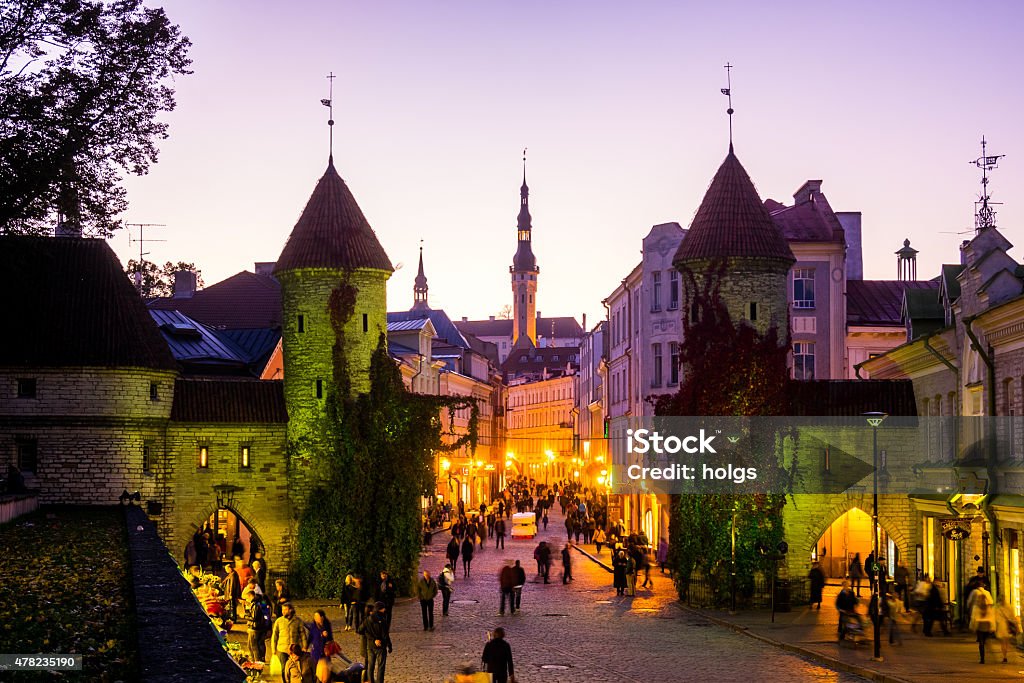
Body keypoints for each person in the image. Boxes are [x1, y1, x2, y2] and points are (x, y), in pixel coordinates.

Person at [271, 602, 308, 683]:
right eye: (282, 610)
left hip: (295, 650)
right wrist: (273, 649)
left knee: (296, 668)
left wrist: (304, 646)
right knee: (284, 669)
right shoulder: (279, 621)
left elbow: (303, 634)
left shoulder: (298, 621)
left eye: (285, 609)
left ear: (290, 610)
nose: (283, 611)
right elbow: (274, 636)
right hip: (282, 649)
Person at [357, 601, 392, 683]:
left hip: (370, 646)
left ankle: (371, 681)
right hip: (381, 646)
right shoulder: (383, 620)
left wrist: (371, 639)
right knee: (381, 666)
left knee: (371, 666)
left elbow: (360, 630)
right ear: (379, 609)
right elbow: (385, 635)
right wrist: (389, 645)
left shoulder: (367, 620)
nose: (384, 610)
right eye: (383, 608)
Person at [244, 587, 271, 662]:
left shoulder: (255, 604)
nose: (247, 600)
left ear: (250, 596)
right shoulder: (261, 602)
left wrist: (244, 615)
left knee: (253, 646)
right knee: (259, 644)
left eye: (247, 598)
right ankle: (261, 659)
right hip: (262, 627)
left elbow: (254, 617)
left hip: (255, 628)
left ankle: (256, 662)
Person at [970, 592, 996, 663]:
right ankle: (987, 655)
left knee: (981, 642)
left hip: (980, 625)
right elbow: (992, 617)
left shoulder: (976, 607)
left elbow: (973, 617)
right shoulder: (989, 607)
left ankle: (982, 658)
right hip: (986, 625)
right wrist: (993, 627)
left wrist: (972, 626)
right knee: (985, 641)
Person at [995, 597, 1020, 663]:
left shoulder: (997, 608)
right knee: (1006, 642)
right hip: (1008, 626)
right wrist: (1016, 625)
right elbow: (1012, 617)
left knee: (1003, 643)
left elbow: (996, 619)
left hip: (1001, 626)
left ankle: (1004, 656)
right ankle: (1005, 654)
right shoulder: (1009, 607)